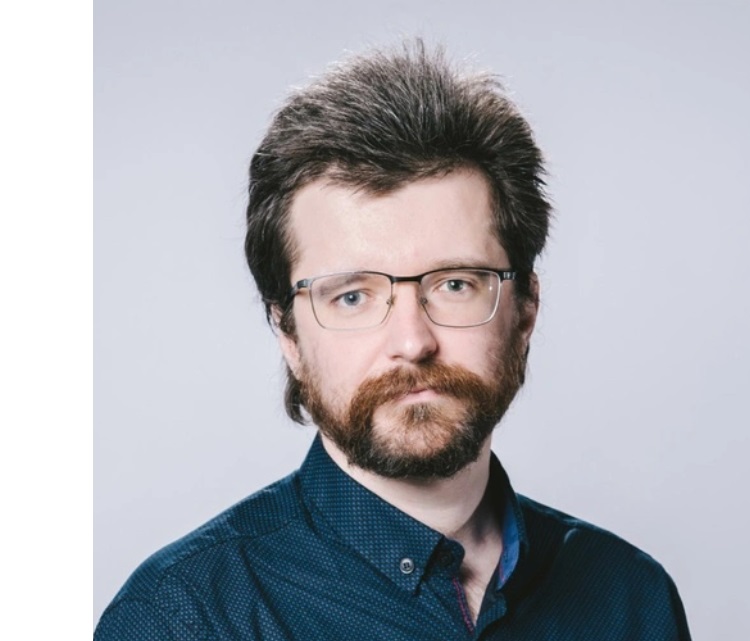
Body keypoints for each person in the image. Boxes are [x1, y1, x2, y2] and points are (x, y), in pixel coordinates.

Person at [96, 40, 691, 641]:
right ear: (288, 333)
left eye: (455, 284)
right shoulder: (182, 617)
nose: (412, 342)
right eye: (352, 296)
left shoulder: (630, 598)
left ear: (526, 309)